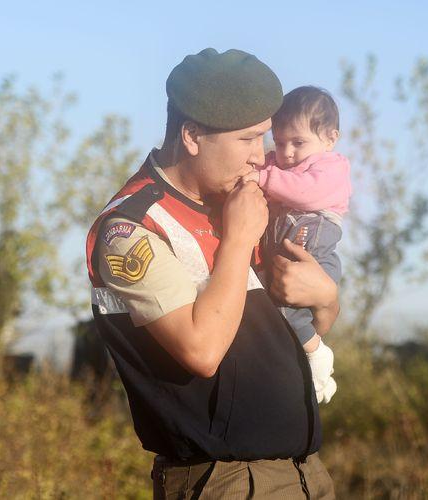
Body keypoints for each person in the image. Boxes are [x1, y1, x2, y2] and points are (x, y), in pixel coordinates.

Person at [84, 48, 338, 499]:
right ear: (193, 135)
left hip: (304, 476)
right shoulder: (132, 229)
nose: (262, 157)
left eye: (266, 138)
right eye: (248, 140)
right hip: (226, 483)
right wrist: (239, 241)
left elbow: (304, 328)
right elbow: (201, 351)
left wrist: (326, 299)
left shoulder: (240, 202)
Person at [242, 86, 350, 405]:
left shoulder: (332, 168)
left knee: (287, 309)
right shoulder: (281, 163)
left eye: (299, 143)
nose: (287, 152)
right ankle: (300, 366)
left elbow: (303, 193)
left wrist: (261, 179)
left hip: (311, 233)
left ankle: (317, 358)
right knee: (271, 300)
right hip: (288, 233)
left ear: (330, 139)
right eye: (279, 141)